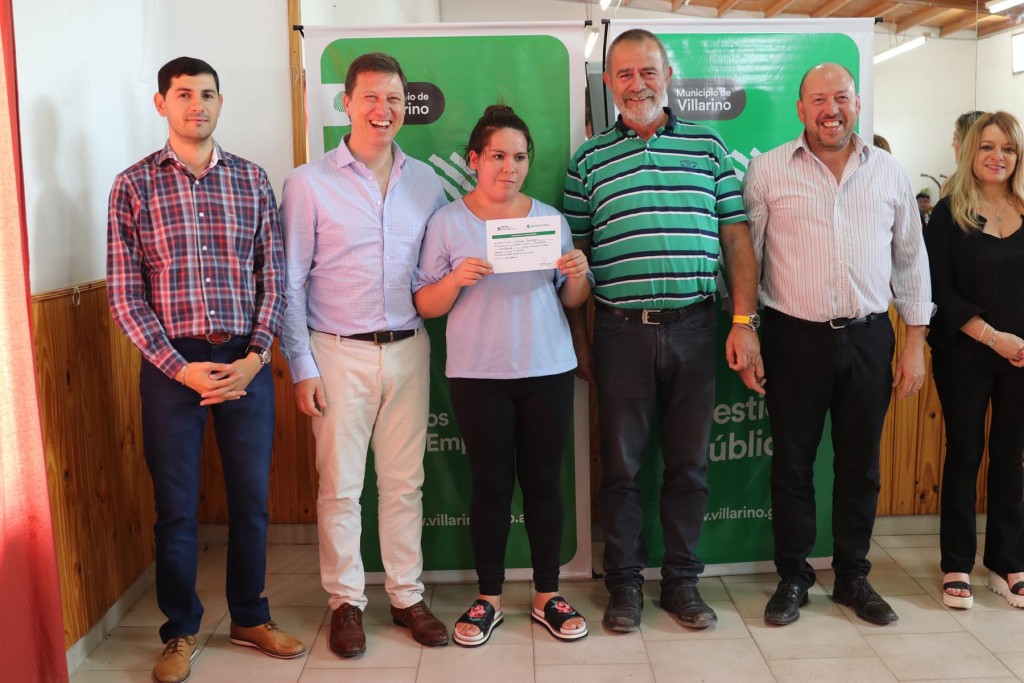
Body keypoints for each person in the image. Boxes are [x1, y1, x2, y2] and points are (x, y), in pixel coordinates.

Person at [106, 56, 305, 683]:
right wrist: (179, 368)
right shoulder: (133, 186)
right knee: (175, 508)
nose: (198, 105)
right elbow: (124, 294)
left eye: (208, 94)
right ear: (161, 103)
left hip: (244, 361)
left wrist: (255, 358)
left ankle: (250, 616)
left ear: (221, 103)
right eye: (185, 94)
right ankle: (180, 631)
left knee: (251, 501)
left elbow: (273, 277)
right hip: (172, 367)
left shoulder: (251, 180)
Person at [563, 28, 763, 633]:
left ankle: (681, 582)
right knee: (621, 468)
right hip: (619, 332)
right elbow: (574, 260)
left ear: (668, 75)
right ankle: (624, 584)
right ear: (608, 82)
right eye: (624, 74)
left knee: (688, 465)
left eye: (647, 71)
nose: (637, 84)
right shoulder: (587, 161)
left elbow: (736, 240)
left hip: (697, 328)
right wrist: (579, 339)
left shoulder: (708, 147)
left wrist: (744, 320)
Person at [743, 63, 932, 627]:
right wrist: (747, 331)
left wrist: (915, 342)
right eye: (820, 99)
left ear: (857, 103)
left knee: (860, 467)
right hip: (792, 338)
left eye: (842, 98)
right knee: (792, 466)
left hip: (870, 337)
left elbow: (911, 260)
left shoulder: (889, 171)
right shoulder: (768, 170)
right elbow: (748, 259)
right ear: (800, 109)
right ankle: (793, 577)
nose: (832, 110)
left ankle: (852, 577)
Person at [278, 52, 449, 658]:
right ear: (346, 103)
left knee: (404, 485)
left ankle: (406, 596)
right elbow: (289, 281)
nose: (384, 109)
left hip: (408, 348)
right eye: (371, 97)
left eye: (394, 99)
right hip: (336, 353)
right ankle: (346, 603)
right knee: (340, 488)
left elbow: (438, 268)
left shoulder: (426, 182)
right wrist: (302, 367)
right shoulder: (308, 183)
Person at [414, 104, 593, 646]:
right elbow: (425, 304)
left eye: (519, 157)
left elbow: (572, 300)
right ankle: (488, 597)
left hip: (547, 368)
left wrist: (578, 273)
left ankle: (547, 594)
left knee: (544, 483)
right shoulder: (447, 222)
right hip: (478, 373)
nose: (509, 167)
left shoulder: (550, 220)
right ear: (474, 159)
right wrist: (456, 280)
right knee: (491, 485)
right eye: (497, 156)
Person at [924, 111, 1024, 611]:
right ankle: (957, 564)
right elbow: (940, 289)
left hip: (1021, 357)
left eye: (1007, 148)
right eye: (987, 146)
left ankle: (1007, 564)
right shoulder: (950, 213)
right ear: (970, 152)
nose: (997, 156)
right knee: (965, 453)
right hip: (964, 352)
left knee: (1011, 458)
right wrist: (993, 337)